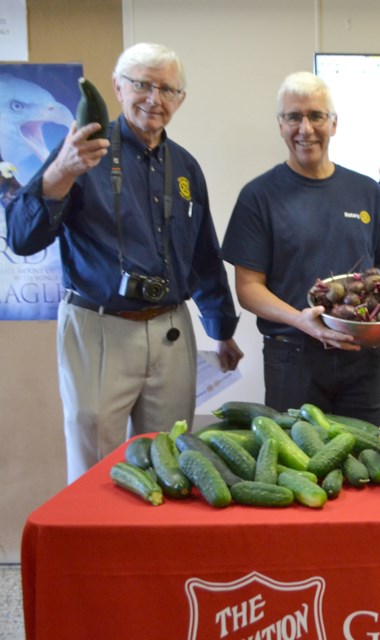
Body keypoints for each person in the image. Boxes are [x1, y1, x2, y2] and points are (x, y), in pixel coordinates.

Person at [4, 42, 244, 483]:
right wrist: (62, 172)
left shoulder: (186, 167)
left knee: (171, 458)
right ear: (118, 87)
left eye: (167, 89)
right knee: (97, 464)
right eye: (142, 85)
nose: (155, 98)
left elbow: (203, 253)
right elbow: (21, 236)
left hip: (171, 329)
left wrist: (222, 329)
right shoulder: (80, 150)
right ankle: (97, 552)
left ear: (180, 100)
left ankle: (157, 552)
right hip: (98, 327)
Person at [221, 71, 380, 426]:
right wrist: (301, 321)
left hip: (362, 359)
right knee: (297, 468)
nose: (305, 128)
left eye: (316, 116)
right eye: (293, 117)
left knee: (374, 458)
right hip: (292, 357)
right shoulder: (258, 196)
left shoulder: (366, 191)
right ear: (280, 125)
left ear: (333, 124)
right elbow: (247, 289)